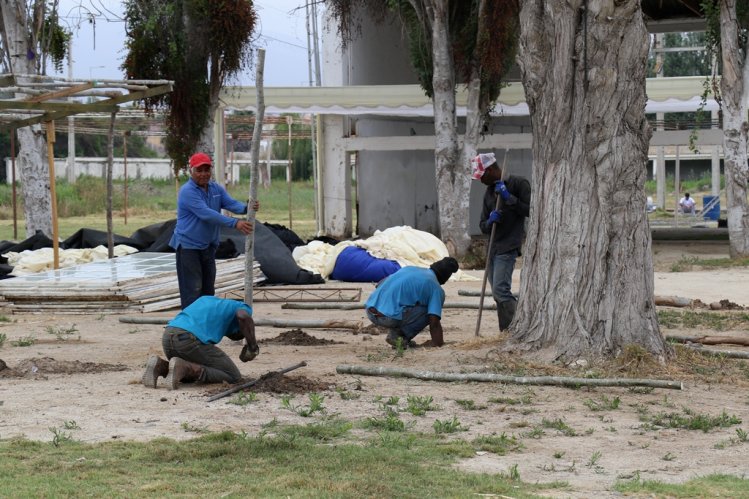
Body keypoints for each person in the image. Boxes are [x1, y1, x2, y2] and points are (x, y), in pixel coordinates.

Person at [169, 152, 257, 309]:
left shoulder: (216, 189)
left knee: (208, 290)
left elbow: (230, 203)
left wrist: (246, 208)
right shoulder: (187, 191)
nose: (204, 174)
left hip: (208, 246)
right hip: (188, 247)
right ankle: (190, 328)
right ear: (192, 171)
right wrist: (235, 223)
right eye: (199, 170)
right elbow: (206, 214)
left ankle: (205, 325)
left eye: (206, 170)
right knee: (192, 290)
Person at [141, 295, 259, 390]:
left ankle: (160, 366)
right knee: (233, 375)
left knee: (184, 376)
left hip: (168, 336)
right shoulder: (243, 308)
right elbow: (243, 317)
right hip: (189, 339)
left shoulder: (207, 300)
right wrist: (252, 346)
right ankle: (186, 367)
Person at [470, 152, 531, 331]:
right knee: (498, 295)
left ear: (490, 170)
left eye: (482, 176)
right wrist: (489, 221)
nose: (481, 181)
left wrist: (509, 198)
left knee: (501, 291)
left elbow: (531, 210)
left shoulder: (519, 184)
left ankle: (516, 329)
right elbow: (482, 225)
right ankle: (504, 330)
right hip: (492, 249)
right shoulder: (489, 193)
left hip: (508, 246)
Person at [365, 257, 459, 348]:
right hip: (386, 317)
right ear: (446, 277)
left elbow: (380, 283)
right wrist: (438, 342)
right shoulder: (436, 289)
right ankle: (398, 337)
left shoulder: (409, 268)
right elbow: (434, 321)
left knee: (406, 302)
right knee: (430, 310)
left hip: (370, 309)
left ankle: (395, 333)